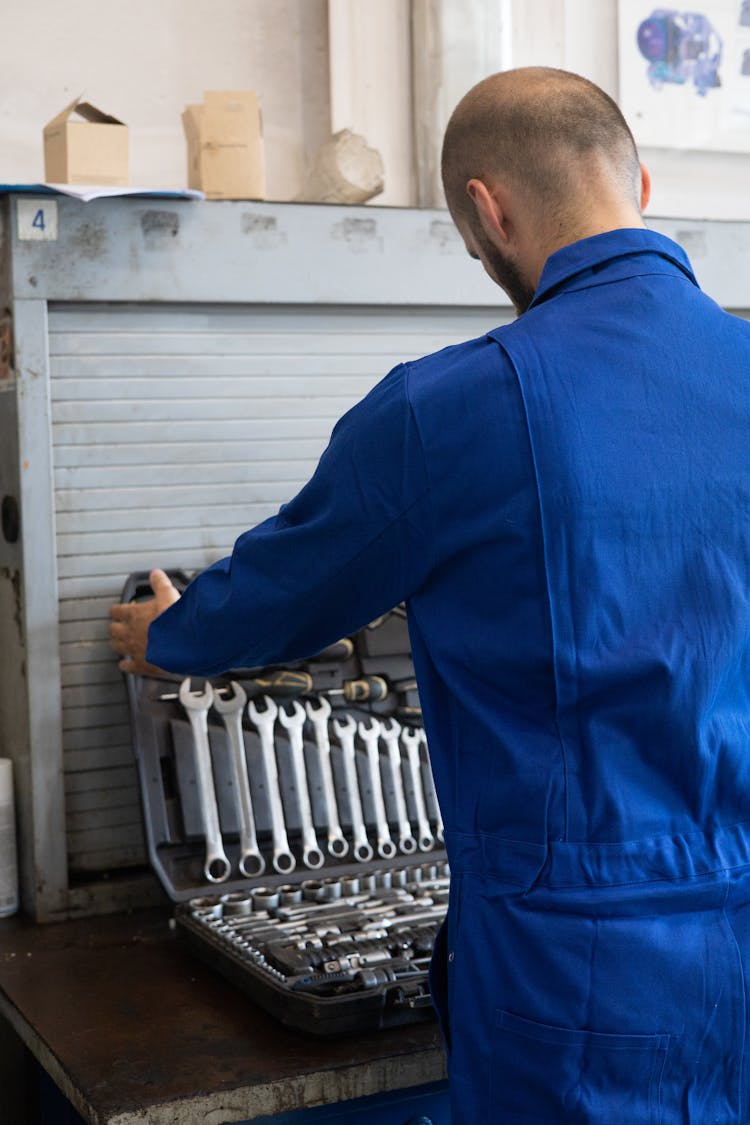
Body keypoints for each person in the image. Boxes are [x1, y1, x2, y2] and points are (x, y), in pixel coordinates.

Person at [109, 67, 750, 1122]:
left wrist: (167, 632)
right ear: (642, 184)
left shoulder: (454, 407)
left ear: (485, 211)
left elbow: (288, 588)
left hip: (579, 972)